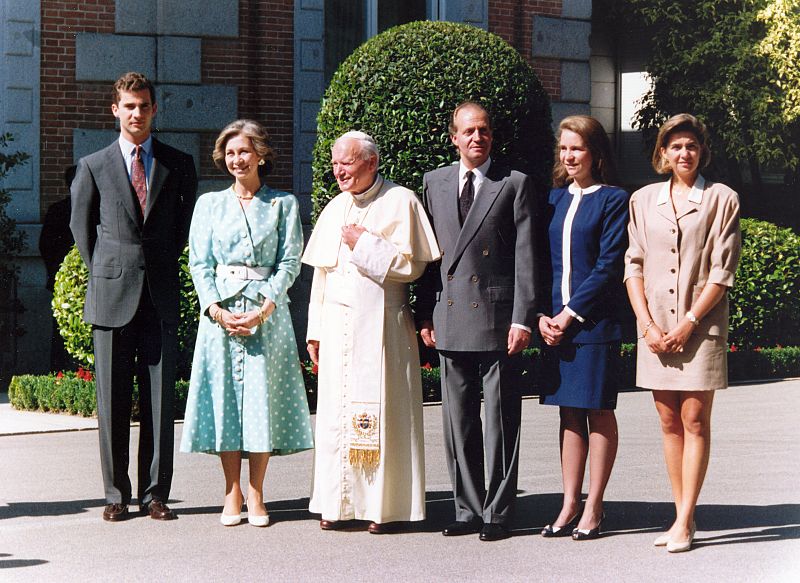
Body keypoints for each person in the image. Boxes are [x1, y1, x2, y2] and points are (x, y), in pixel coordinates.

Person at [70, 72, 197, 522]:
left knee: (160, 402)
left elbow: (182, 228)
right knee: (113, 400)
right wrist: (110, 269)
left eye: (144, 105)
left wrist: (155, 264)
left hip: (159, 293)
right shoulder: (93, 165)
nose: (137, 114)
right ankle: (114, 493)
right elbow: (82, 231)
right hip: (111, 296)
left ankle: (156, 494)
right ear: (115, 110)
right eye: (129, 106)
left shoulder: (178, 164)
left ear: (154, 109)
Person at [303, 131, 440, 534]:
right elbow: (321, 278)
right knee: (335, 419)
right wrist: (315, 332)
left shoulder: (401, 201)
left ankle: (384, 507)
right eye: (334, 163)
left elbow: (412, 267)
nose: (339, 170)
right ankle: (337, 503)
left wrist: (364, 244)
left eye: (347, 162)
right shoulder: (334, 208)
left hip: (384, 330)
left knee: (386, 412)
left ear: (371, 162)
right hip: (338, 329)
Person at [180, 119, 314, 527]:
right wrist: (216, 309)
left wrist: (264, 307)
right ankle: (230, 492)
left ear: (260, 155)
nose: (238, 159)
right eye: (231, 152)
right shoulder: (209, 204)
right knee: (224, 401)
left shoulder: (283, 204)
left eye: (245, 151)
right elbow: (199, 263)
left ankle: (257, 493)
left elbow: (290, 261)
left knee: (261, 402)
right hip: (220, 316)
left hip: (266, 316)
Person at [416, 102, 538, 541]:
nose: (476, 138)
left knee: (501, 422)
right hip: (449, 316)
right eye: (468, 131)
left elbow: (527, 256)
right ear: (454, 137)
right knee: (458, 422)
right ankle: (467, 508)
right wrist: (422, 312)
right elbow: (430, 258)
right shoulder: (434, 182)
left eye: (483, 130)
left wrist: (523, 319)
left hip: (497, 317)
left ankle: (499, 511)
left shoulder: (514, 183)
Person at [624, 113, 741, 552]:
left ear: (701, 151)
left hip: (699, 330)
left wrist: (688, 323)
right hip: (654, 333)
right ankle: (679, 515)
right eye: (675, 146)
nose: (684, 153)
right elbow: (632, 264)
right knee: (669, 421)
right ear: (662, 154)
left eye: (691, 145)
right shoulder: (643, 200)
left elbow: (721, 271)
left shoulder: (722, 199)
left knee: (694, 420)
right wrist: (649, 326)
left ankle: (686, 520)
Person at [537, 116, 629, 541]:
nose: (569, 156)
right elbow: (541, 263)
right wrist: (542, 315)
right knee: (569, 413)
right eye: (563, 149)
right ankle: (569, 502)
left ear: (595, 152)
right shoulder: (553, 199)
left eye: (577, 148)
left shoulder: (613, 199)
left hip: (593, 324)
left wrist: (570, 314)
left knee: (598, 410)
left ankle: (595, 506)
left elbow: (609, 265)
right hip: (555, 324)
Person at [40, 165, 77, 372]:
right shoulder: (58, 211)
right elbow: (46, 246)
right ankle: (59, 373)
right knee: (60, 331)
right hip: (61, 281)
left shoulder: (98, 209)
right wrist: (57, 274)